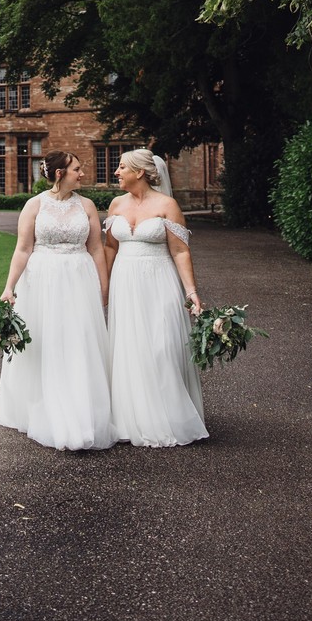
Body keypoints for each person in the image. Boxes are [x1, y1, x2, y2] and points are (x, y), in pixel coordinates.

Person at [0, 151, 115, 450]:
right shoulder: (34, 205)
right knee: (45, 340)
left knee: (79, 340)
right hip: (42, 280)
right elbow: (23, 249)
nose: (82, 174)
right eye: (77, 169)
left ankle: (81, 405)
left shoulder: (88, 206)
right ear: (60, 173)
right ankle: (39, 404)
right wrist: (9, 287)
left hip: (80, 278)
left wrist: (103, 287)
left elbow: (96, 249)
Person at [104, 147, 209, 447]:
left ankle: (169, 417)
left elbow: (179, 250)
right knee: (129, 346)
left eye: (121, 167)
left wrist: (191, 292)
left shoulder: (167, 205)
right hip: (125, 281)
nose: (116, 173)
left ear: (139, 172)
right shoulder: (115, 205)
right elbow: (110, 247)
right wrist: (103, 286)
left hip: (159, 280)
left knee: (162, 345)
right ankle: (129, 419)